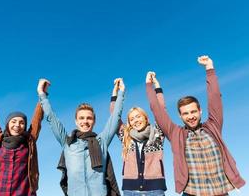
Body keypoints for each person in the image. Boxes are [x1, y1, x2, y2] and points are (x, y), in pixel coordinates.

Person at [146, 56, 246, 196]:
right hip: (192, 192)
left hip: (220, 191)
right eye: (186, 113)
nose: (191, 116)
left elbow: (215, 97)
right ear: (180, 116)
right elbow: (157, 109)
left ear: (200, 111)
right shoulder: (175, 133)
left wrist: (209, 69)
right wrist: (149, 86)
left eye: (193, 111)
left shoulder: (213, 126)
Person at [37, 78, 125, 196]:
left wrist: (121, 93)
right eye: (81, 118)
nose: (85, 121)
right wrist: (42, 94)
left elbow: (115, 116)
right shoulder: (67, 142)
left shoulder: (101, 141)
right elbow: (51, 118)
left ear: (94, 121)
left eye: (89, 118)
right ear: (76, 121)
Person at [0, 79, 44, 196]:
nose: (17, 125)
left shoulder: (29, 140)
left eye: (21, 123)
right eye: (14, 121)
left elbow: (37, 120)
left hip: (23, 192)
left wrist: (42, 93)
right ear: (8, 124)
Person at [110, 77, 166, 196]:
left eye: (138, 116)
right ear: (129, 123)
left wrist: (156, 86)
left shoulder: (157, 134)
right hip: (130, 191)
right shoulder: (126, 136)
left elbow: (161, 111)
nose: (136, 120)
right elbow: (114, 116)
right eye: (132, 119)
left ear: (146, 118)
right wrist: (117, 92)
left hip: (155, 190)